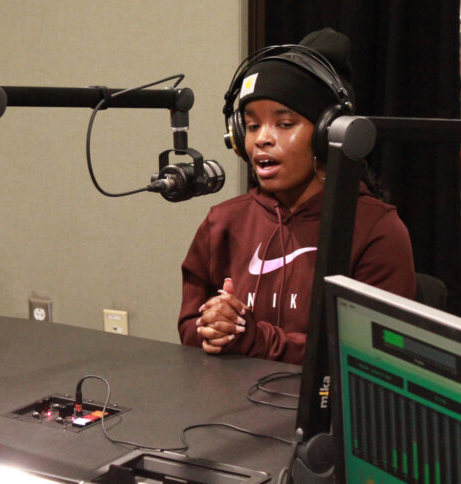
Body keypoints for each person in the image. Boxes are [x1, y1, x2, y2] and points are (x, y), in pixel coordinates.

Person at [177, 28, 416, 364]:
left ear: (325, 135)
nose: (262, 139)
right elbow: (189, 329)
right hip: (225, 412)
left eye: (284, 124)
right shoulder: (223, 222)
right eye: (253, 125)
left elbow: (374, 358)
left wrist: (258, 340)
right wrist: (213, 326)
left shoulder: (377, 231)